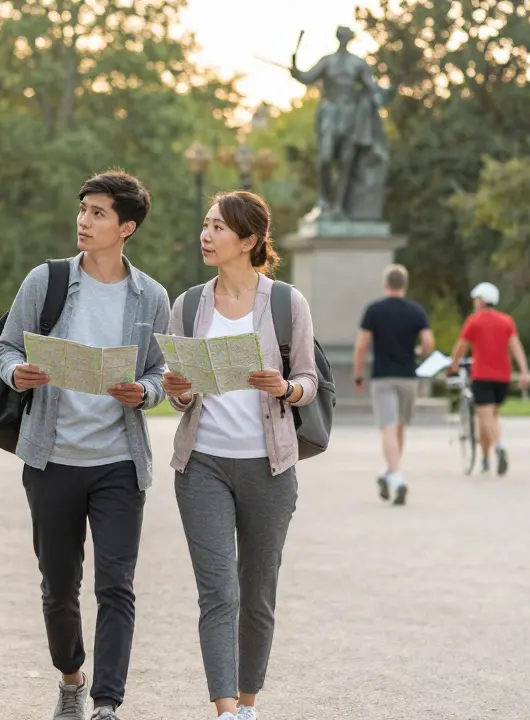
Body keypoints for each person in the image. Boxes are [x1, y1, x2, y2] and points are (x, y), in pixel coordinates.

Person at [0, 170, 170, 720]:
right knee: (58, 589)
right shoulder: (44, 282)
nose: (84, 221)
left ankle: (106, 704)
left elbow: (162, 372)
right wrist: (17, 371)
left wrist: (144, 391)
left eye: (98, 213)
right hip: (52, 459)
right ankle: (72, 676)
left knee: (116, 587)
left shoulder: (151, 297)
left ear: (127, 228)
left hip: (119, 460)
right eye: (83, 210)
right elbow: (4, 347)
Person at [162, 191, 319, 720]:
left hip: (269, 468)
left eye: (218, 228)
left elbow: (309, 380)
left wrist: (284, 387)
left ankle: (248, 703)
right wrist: (179, 388)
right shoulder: (187, 304)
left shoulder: (285, 302)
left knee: (257, 593)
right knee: (218, 592)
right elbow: (179, 396)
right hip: (201, 463)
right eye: (205, 225)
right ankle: (225, 710)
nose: (205, 235)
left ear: (248, 241)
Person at [352, 264, 435, 505]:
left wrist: (358, 374)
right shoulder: (416, 311)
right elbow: (428, 342)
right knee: (399, 427)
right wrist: (418, 351)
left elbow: (361, 345)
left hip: (383, 376)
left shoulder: (374, 310)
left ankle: (396, 476)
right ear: (405, 284)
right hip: (408, 376)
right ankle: (389, 472)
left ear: (386, 284)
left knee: (388, 427)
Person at [446, 282, 530, 475]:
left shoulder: (474, 321)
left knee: (485, 417)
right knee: (490, 418)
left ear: (482, 301)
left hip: (482, 375)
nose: (475, 303)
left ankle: (499, 448)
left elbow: (462, 346)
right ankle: (484, 459)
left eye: (476, 299)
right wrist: (524, 371)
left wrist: (453, 366)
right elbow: (516, 346)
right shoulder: (506, 321)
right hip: (503, 377)